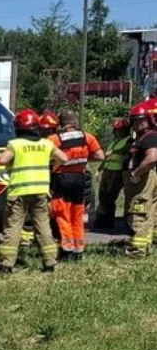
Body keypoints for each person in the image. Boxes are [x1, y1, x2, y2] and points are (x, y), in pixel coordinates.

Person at [0, 109, 66, 273]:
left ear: (18, 127)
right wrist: (48, 161)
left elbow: (2, 160)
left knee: (13, 227)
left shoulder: (15, 144)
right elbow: (64, 158)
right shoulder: (46, 144)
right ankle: (49, 262)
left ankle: (6, 264)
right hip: (41, 191)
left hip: (19, 191)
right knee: (43, 226)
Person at [47, 109, 104, 260]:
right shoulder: (87, 137)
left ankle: (67, 249)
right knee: (77, 215)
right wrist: (83, 159)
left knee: (62, 214)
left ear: (60, 123)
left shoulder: (54, 138)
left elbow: (46, 157)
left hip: (62, 179)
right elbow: (100, 156)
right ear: (75, 122)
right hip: (79, 179)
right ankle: (79, 249)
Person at [123, 101, 157, 257]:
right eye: (135, 120)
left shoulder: (150, 137)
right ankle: (148, 244)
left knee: (138, 211)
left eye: (141, 120)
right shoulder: (140, 138)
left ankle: (136, 250)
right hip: (142, 178)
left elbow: (152, 158)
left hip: (142, 179)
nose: (138, 123)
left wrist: (136, 173)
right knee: (149, 212)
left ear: (149, 120)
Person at [95, 116, 130, 229]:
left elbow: (125, 149)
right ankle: (102, 221)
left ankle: (107, 222)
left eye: (121, 130)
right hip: (107, 170)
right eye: (117, 130)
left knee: (109, 196)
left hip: (117, 171)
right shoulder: (113, 142)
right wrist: (99, 170)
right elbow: (106, 158)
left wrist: (113, 151)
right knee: (102, 195)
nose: (119, 132)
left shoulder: (128, 140)